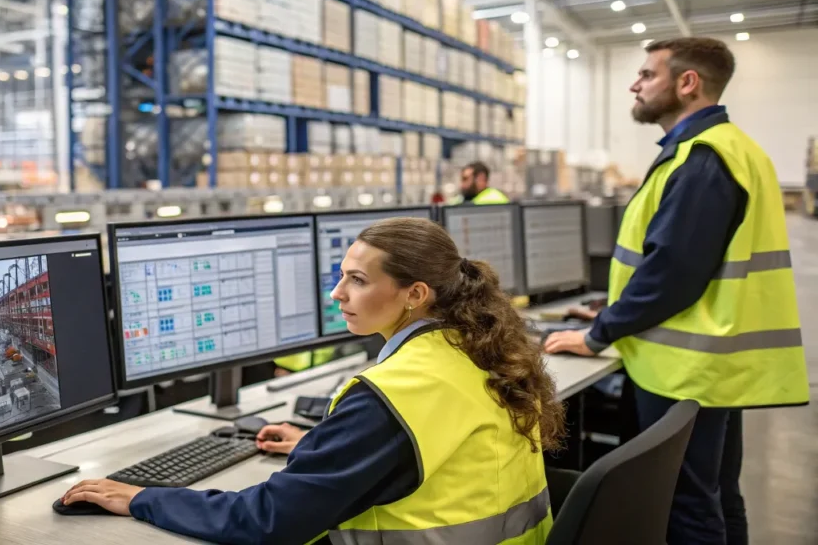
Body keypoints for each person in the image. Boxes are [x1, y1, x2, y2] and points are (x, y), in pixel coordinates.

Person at [62, 217, 565, 544]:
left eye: (358, 281)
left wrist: (142, 496)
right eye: (342, 274)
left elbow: (269, 521)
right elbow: (435, 448)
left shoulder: (395, 394)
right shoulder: (477, 350)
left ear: (415, 295)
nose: (337, 293)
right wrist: (326, 446)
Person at [544, 37, 809, 545]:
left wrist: (597, 334)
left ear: (687, 83)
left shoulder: (704, 158)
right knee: (714, 494)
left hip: (680, 366)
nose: (634, 84)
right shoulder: (731, 149)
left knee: (684, 505)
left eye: (646, 75)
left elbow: (672, 272)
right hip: (709, 361)